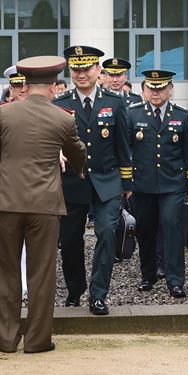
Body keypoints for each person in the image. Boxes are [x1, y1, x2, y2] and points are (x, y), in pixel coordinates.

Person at [0, 55, 86, 354]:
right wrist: (78, 168)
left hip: (6, 202)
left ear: (24, 84)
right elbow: (78, 152)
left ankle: (5, 339)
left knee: (5, 271)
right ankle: (37, 340)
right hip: (45, 205)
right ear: (53, 87)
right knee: (41, 274)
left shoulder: (3, 114)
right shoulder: (64, 118)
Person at [55, 45, 132, 315]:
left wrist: (127, 184)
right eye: (76, 69)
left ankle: (98, 294)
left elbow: (124, 146)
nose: (81, 74)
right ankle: (76, 289)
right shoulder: (60, 104)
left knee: (107, 233)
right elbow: (53, 141)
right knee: (70, 240)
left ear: (98, 70)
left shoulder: (115, 102)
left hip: (107, 181)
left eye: (86, 68)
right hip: (72, 183)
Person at [127, 70, 188, 298]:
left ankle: (175, 280)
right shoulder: (133, 114)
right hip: (143, 185)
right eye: (151, 88)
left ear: (170, 90)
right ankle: (148, 276)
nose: (156, 92)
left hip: (172, 185)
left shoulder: (182, 115)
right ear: (144, 90)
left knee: (172, 230)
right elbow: (125, 151)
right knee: (145, 232)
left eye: (160, 88)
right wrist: (125, 183)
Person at [2, 65, 29, 301]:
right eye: (16, 84)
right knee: (13, 243)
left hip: (36, 187)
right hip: (10, 186)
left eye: (24, 84)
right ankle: (17, 286)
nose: (21, 89)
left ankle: (30, 284)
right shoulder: (1, 114)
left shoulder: (42, 111)